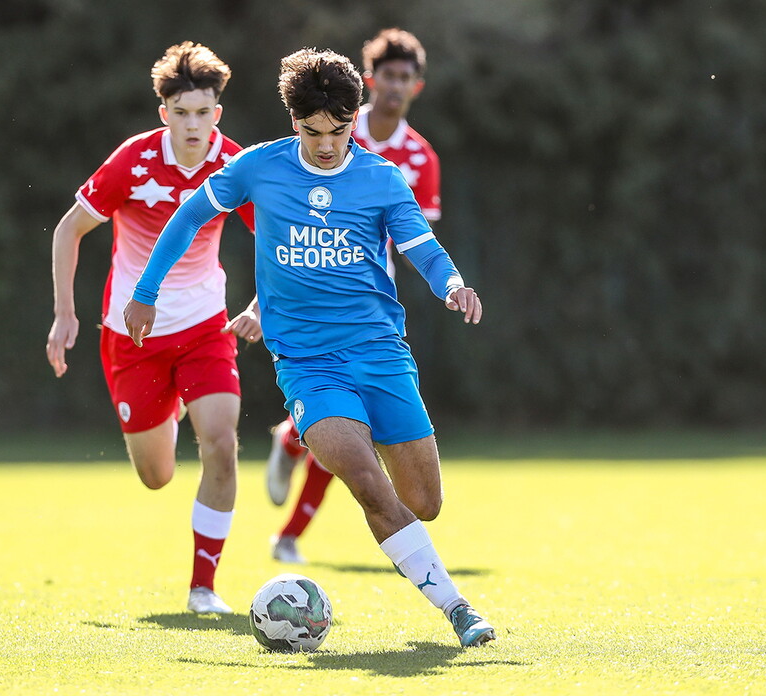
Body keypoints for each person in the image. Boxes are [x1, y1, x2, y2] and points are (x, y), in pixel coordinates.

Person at [124, 48, 495, 647]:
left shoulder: (381, 178)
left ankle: (336, 473)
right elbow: (188, 217)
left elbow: (421, 247)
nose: (326, 145)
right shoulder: (258, 167)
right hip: (307, 365)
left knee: (424, 502)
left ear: (353, 120)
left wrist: (452, 284)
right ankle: (458, 609)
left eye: (338, 131)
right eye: (312, 131)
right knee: (365, 479)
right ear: (293, 120)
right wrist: (146, 293)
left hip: (380, 353)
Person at [45, 42, 260, 615]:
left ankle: (203, 588)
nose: (193, 125)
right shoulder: (133, 162)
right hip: (132, 337)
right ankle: (169, 407)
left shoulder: (234, 166)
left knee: (221, 445)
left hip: (206, 328)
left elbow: (278, 243)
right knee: (157, 475)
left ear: (218, 112)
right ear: (164, 112)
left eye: (203, 112)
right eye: (181, 112)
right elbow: (69, 230)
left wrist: (260, 306)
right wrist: (65, 313)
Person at [266, 28, 442, 566]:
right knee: (348, 436)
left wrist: (441, 277)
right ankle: (290, 518)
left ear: (417, 86)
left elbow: (416, 243)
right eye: (388, 75)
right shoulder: (336, 124)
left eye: (405, 77)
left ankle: (290, 455)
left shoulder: (419, 158)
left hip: (368, 305)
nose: (396, 85)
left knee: (355, 436)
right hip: (309, 286)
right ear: (371, 81)